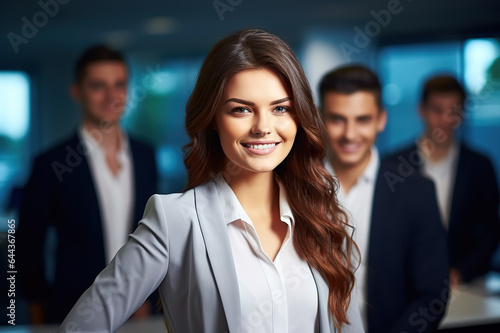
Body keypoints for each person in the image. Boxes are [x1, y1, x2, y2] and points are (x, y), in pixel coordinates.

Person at [59, 29, 364, 333]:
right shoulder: (175, 220)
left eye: (280, 108)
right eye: (241, 109)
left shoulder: (323, 216)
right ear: (213, 119)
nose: (263, 127)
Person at [17, 45, 158, 323]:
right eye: (98, 86)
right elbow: (27, 245)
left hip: (139, 310)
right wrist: (38, 312)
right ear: (77, 91)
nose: (111, 96)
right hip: (73, 310)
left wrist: (151, 296)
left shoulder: (145, 155)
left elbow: (154, 233)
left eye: (119, 85)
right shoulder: (51, 163)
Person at [319, 65, 449, 332]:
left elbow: (432, 296)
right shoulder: (295, 187)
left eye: (363, 119)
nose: (350, 134)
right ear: (320, 119)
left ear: (381, 119)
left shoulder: (417, 191)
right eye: (337, 119)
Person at [387, 75, 500, 285]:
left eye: (454, 111)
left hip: (467, 287)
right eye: (438, 110)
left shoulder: (480, 166)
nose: (446, 120)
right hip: (404, 285)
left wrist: (462, 272)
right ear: (421, 110)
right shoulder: (393, 166)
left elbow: (492, 230)